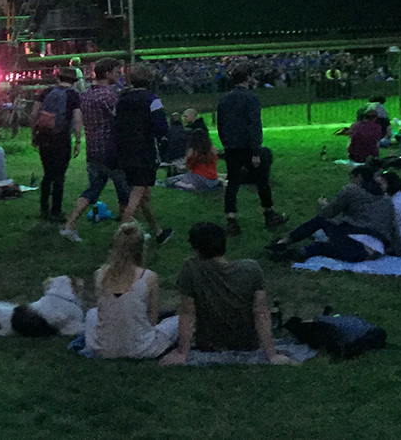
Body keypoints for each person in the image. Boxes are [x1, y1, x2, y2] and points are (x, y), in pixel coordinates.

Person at [159, 222, 292, 365]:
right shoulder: (251, 269)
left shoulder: (191, 271)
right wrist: (272, 355)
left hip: (209, 344)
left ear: (196, 249)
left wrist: (182, 353)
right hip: (247, 343)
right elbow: (260, 312)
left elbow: (188, 314)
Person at [82, 223, 179, 360]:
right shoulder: (148, 277)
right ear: (140, 248)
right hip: (141, 348)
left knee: (92, 313)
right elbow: (152, 319)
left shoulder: (100, 274)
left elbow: (101, 310)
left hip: (103, 349)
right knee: (177, 321)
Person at [269, 165, 401, 262]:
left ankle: (285, 243)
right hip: (376, 249)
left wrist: (322, 205)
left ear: (358, 177)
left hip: (357, 243)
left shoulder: (352, 190)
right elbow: (394, 229)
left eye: (352, 178)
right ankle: (292, 249)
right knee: (323, 245)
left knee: (320, 224)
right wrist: (400, 251)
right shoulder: (386, 200)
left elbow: (328, 213)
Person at [61, 59, 129, 243]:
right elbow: (119, 120)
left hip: (93, 148)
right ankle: (126, 232)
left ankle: (70, 224)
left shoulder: (86, 95)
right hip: (110, 149)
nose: (119, 75)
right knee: (124, 192)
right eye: (116, 71)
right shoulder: (108, 96)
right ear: (107, 73)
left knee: (92, 190)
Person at [216, 66, 286, 236]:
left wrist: (226, 144)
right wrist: (255, 151)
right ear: (247, 78)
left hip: (231, 146)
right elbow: (254, 125)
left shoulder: (224, 100)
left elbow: (220, 125)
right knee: (262, 180)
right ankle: (269, 214)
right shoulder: (251, 99)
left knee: (232, 184)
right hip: (247, 145)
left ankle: (231, 220)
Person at [111, 64, 171, 243]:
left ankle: (158, 231)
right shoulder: (152, 100)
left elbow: (114, 122)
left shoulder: (121, 100)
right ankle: (120, 235)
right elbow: (161, 128)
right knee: (137, 193)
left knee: (142, 193)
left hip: (124, 150)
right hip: (145, 152)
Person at [34, 67, 82, 221]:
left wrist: (33, 134)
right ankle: (56, 211)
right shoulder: (74, 96)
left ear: (58, 78)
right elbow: (77, 119)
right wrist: (78, 140)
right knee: (59, 175)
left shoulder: (46, 92)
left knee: (47, 174)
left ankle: (43, 209)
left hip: (44, 137)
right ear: (73, 81)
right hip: (61, 138)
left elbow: (34, 113)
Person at [165, 127, 220, 192]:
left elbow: (189, 166)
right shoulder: (213, 151)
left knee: (170, 180)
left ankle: (186, 186)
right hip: (213, 180)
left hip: (198, 178)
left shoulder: (194, 152)